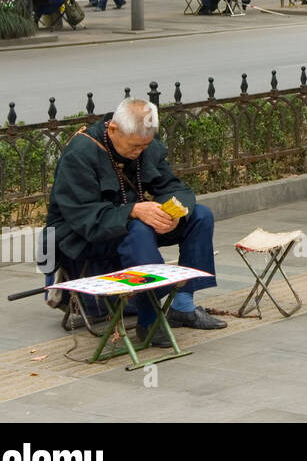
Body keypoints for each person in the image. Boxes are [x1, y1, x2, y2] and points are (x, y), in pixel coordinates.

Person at [44, 98, 226, 346]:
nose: (138, 152)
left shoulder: (143, 142)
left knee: (200, 216)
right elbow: (85, 218)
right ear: (113, 129)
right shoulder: (80, 153)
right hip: (82, 235)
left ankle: (182, 305)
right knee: (138, 230)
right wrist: (133, 211)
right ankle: (149, 320)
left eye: (144, 146)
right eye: (134, 147)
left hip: (127, 225)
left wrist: (174, 212)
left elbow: (173, 186)